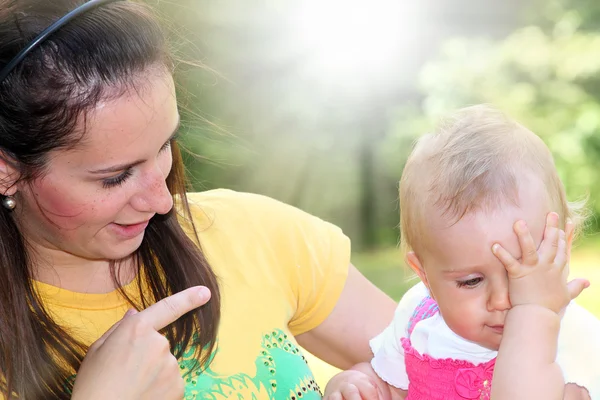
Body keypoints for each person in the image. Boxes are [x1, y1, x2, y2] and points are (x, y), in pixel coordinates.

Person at [0, 1, 399, 399]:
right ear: (7, 171)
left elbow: (446, 365)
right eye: (115, 177)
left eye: (163, 146)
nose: (163, 201)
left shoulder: (254, 232)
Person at [323, 105, 600, 399]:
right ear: (425, 276)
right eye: (471, 281)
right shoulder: (419, 319)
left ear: (563, 247)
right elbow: (391, 383)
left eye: (523, 270)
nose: (502, 300)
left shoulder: (574, 342)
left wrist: (534, 313)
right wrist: (358, 384)